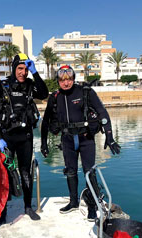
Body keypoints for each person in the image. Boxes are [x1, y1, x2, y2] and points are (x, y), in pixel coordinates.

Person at [41, 65, 121, 221]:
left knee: (89, 172)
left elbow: (102, 113)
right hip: (67, 140)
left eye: (69, 79)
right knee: (70, 171)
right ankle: (73, 202)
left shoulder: (85, 92)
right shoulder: (55, 97)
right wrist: (43, 143)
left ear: (73, 79)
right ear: (58, 81)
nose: (66, 83)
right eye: (62, 80)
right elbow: (45, 121)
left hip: (86, 139)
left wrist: (109, 137)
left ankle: (91, 207)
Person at [0, 53, 48, 222]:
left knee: (26, 173)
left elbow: (44, 94)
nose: (23, 72)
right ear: (14, 69)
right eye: (20, 68)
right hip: (6, 139)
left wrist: (35, 72)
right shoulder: (2, 86)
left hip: (26, 138)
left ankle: (28, 207)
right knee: (5, 174)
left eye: (26, 69)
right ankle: (3, 210)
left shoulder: (30, 85)